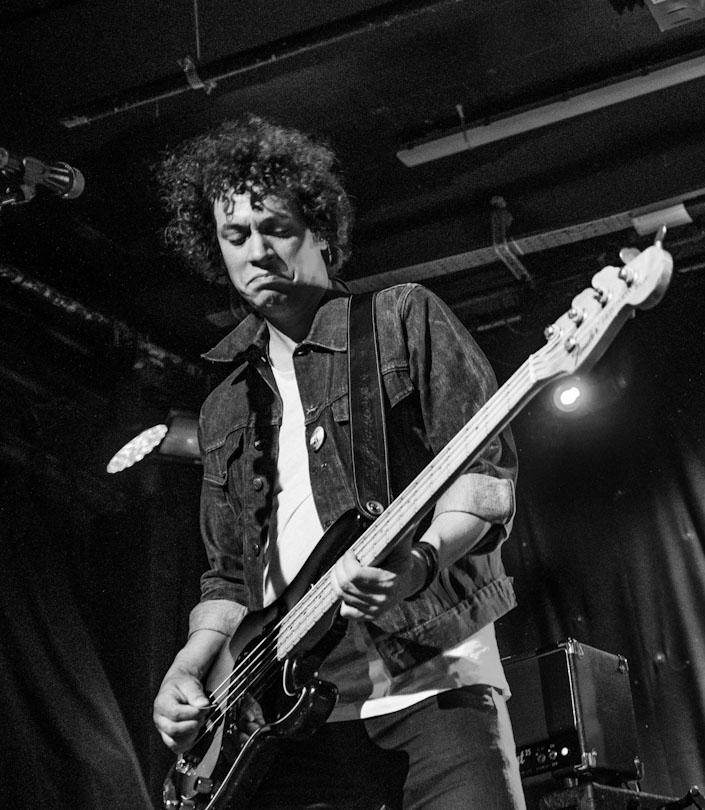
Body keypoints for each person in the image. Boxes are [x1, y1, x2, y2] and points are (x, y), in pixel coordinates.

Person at [150, 116, 524, 810]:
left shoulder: (401, 319)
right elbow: (229, 573)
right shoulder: (223, 405)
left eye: (276, 228)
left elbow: (485, 476)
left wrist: (421, 561)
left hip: (434, 683)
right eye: (236, 237)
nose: (257, 251)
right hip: (291, 729)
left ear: (320, 229)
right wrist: (193, 661)